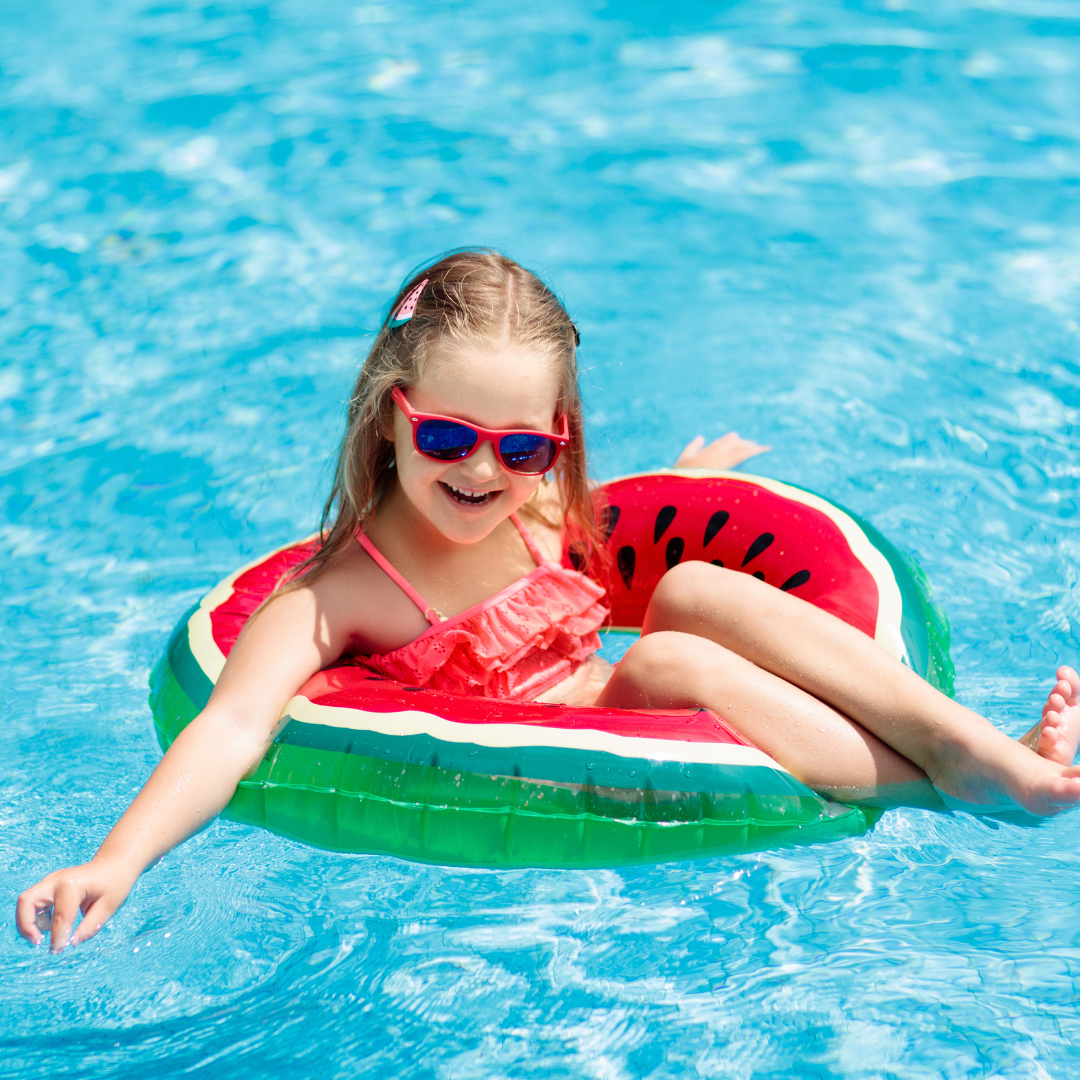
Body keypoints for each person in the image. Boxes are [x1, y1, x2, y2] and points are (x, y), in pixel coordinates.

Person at [17, 249, 1080, 953]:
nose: (482, 472)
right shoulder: (340, 592)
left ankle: (976, 749)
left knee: (701, 586)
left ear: (556, 442)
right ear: (390, 419)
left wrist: (687, 475)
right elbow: (232, 726)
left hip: (641, 704)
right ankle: (951, 785)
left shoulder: (536, 509)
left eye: (521, 447)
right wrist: (117, 859)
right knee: (670, 662)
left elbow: (629, 530)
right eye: (447, 439)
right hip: (582, 755)